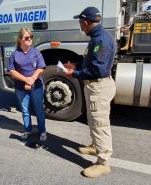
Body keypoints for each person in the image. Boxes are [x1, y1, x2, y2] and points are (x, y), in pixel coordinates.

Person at [64, 7, 116, 178]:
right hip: (96, 86)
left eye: (80, 23)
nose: (80, 26)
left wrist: (74, 74)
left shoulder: (99, 40)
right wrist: (76, 66)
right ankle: (95, 147)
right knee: (94, 120)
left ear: (86, 22)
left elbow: (98, 71)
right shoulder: (99, 36)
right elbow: (92, 62)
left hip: (98, 86)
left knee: (100, 123)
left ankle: (103, 163)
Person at [7, 28, 47, 141]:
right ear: (20, 40)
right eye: (26, 37)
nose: (29, 39)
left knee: (39, 109)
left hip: (36, 86)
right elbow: (11, 70)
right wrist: (25, 79)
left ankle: (42, 131)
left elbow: (41, 67)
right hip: (21, 88)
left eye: (31, 37)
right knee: (25, 110)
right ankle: (28, 130)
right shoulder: (15, 54)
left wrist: (33, 78)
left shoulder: (36, 52)